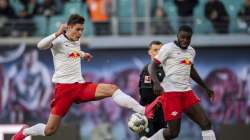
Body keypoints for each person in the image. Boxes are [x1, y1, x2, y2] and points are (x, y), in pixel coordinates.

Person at [12, 14, 152, 140]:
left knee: (112, 89)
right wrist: (56, 33)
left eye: (82, 30)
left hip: (80, 87)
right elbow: (40, 45)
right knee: (49, 130)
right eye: (78, 29)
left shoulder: (75, 41)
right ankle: (25, 131)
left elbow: (71, 52)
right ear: (69, 27)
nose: (80, 33)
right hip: (64, 90)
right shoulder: (59, 40)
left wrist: (82, 54)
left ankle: (142, 110)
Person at [142, 25, 216, 140]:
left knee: (206, 124)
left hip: (187, 93)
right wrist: (156, 83)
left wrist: (205, 87)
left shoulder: (191, 51)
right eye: (182, 37)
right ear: (177, 36)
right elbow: (152, 66)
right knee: (173, 133)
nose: (185, 40)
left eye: (188, 38)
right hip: (171, 94)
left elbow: (191, 70)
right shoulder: (168, 48)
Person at [138, 41, 166, 138]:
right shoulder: (147, 70)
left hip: (164, 113)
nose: (158, 52)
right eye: (155, 50)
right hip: (150, 113)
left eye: (160, 50)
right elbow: (145, 95)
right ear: (149, 52)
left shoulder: (167, 69)